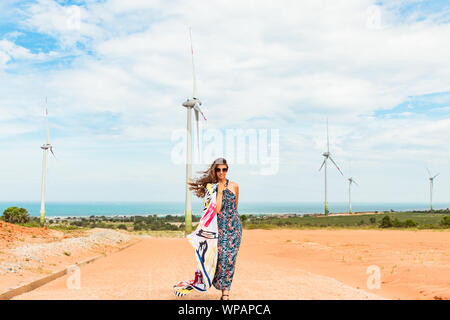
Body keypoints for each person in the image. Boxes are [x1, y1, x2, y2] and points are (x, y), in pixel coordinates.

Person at [188, 157, 242, 300]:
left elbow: (235, 207)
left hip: (234, 227)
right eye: (218, 170)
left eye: (224, 169)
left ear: (227, 170)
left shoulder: (235, 186)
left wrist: (234, 225)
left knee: (230, 259)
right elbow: (217, 210)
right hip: (218, 228)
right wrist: (219, 191)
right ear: (215, 171)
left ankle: (226, 293)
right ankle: (211, 281)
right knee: (220, 258)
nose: (221, 172)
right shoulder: (211, 188)